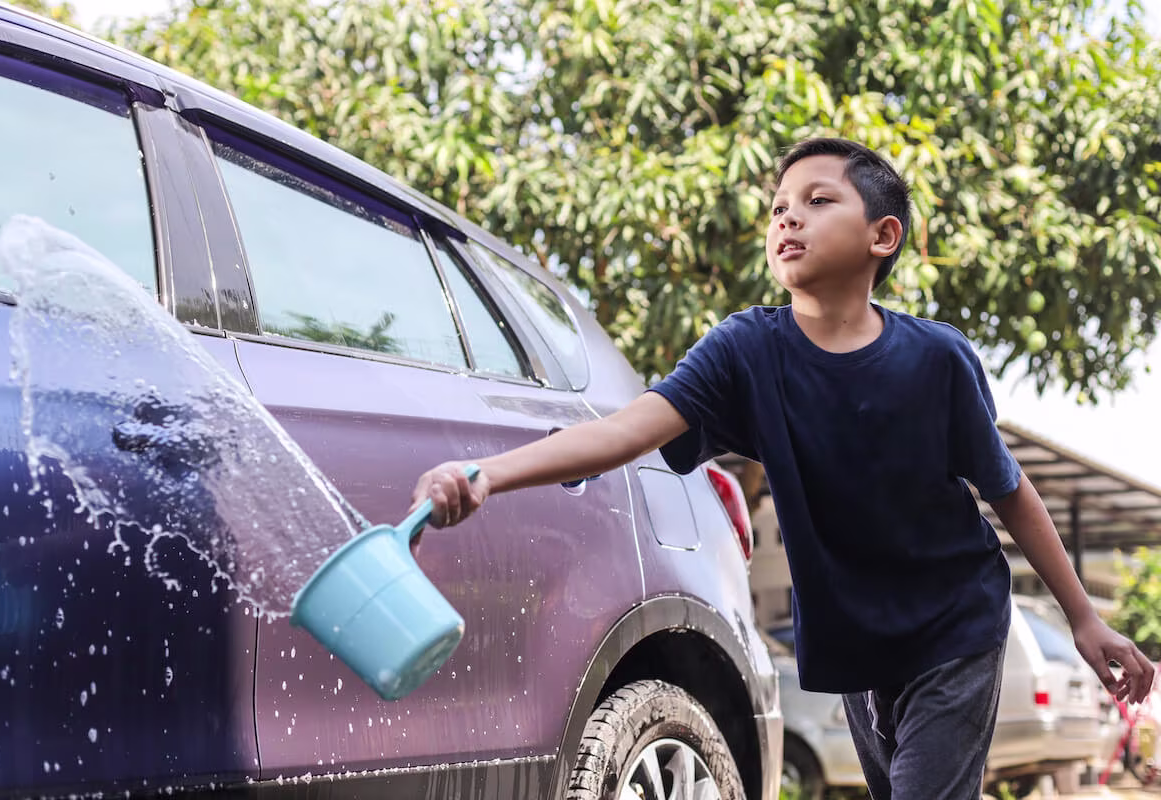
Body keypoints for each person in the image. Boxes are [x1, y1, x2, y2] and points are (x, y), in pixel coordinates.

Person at [408, 137, 1156, 799]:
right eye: (777, 208)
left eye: (817, 200)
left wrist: (1084, 617)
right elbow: (629, 428)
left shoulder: (937, 358)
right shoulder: (744, 350)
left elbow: (1009, 490)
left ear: (882, 235)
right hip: (856, 641)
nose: (787, 218)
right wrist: (490, 474)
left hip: (955, 622)